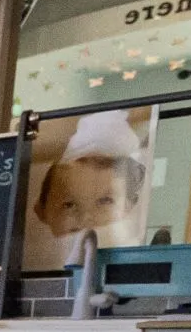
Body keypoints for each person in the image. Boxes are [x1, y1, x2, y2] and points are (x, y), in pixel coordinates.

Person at [23, 112, 147, 270]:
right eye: (69, 204)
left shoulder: (133, 260)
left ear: (130, 206)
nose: (87, 218)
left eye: (105, 201)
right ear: (41, 210)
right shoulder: (35, 261)